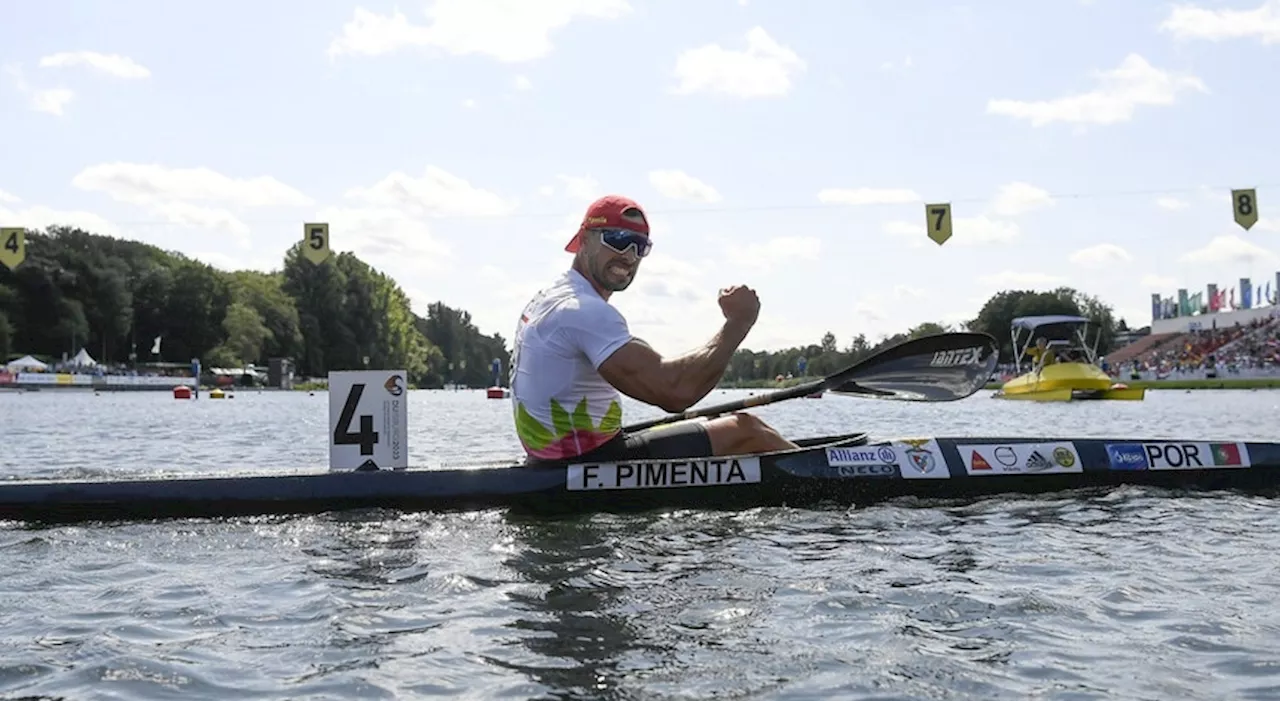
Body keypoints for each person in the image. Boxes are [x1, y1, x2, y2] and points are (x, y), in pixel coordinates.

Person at [509, 194, 798, 464]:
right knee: (746, 429)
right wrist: (739, 323)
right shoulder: (584, 311)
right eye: (618, 239)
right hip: (591, 462)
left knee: (722, 422)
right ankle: (834, 476)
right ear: (584, 240)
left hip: (554, 460)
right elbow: (675, 392)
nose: (630, 255)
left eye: (640, 245)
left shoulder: (548, 298)